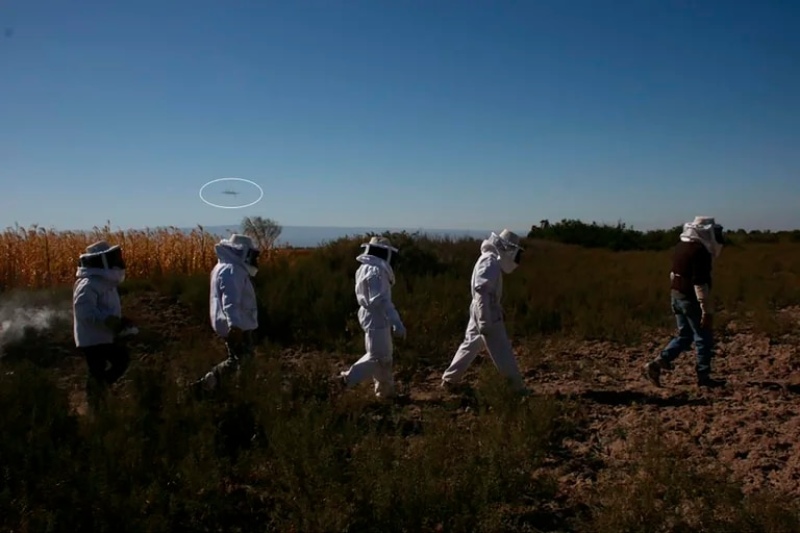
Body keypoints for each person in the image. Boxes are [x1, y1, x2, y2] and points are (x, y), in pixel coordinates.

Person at [441, 229, 528, 394]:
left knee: (471, 344)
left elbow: (486, 293)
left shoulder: (489, 260)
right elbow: (482, 291)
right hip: (486, 311)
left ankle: (450, 379)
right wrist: (485, 320)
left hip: (482, 309)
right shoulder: (490, 262)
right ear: (507, 249)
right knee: (502, 351)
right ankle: (517, 389)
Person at [644, 216, 727, 389]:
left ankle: (658, 363)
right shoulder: (699, 251)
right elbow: (699, 282)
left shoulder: (681, 246)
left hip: (677, 295)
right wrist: (706, 310)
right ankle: (703, 377)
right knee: (703, 338)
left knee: (685, 335)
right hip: (690, 298)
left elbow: (673, 274)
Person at [339, 236, 406, 399]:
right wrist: (396, 321)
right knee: (379, 357)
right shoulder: (376, 271)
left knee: (382, 356)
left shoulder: (364, 268)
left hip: (370, 314)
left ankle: (385, 393)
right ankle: (348, 378)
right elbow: (381, 300)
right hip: (376, 315)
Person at [73, 241, 135, 412]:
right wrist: (109, 321)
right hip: (92, 339)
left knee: (119, 361)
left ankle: (98, 392)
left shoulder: (106, 283)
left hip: (104, 335)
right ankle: (95, 403)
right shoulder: (87, 284)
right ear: (101, 260)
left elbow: (107, 309)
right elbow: (85, 312)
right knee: (100, 368)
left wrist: (121, 322)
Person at [194, 233, 260, 394]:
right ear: (243, 252)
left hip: (238, 324)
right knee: (241, 361)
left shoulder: (225, 267)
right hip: (238, 326)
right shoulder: (231, 270)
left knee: (242, 360)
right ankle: (210, 384)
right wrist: (234, 325)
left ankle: (226, 389)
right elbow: (230, 301)